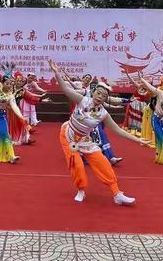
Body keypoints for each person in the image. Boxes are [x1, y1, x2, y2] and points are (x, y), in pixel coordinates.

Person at [48, 59, 149, 205]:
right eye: (98, 93)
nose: (100, 97)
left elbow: (118, 131)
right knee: (78, 165)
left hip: (85, 140)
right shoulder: (82, 100)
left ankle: (117, 194)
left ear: (106, 99)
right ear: (94, 92)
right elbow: (65, 89)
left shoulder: (103, 114)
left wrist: (138, 140)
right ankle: (81, 190)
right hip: (68, 135)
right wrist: (57, 72)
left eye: (103, 96)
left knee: (103, 163)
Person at [0, 54, 26, 163]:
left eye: (11, 84)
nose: (9, 85)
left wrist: (21, 117)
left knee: (5, 134)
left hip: (1, 116)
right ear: (3, 82)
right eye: (7, 83)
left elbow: (14, 107)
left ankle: (11, 156)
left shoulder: (10, 96)